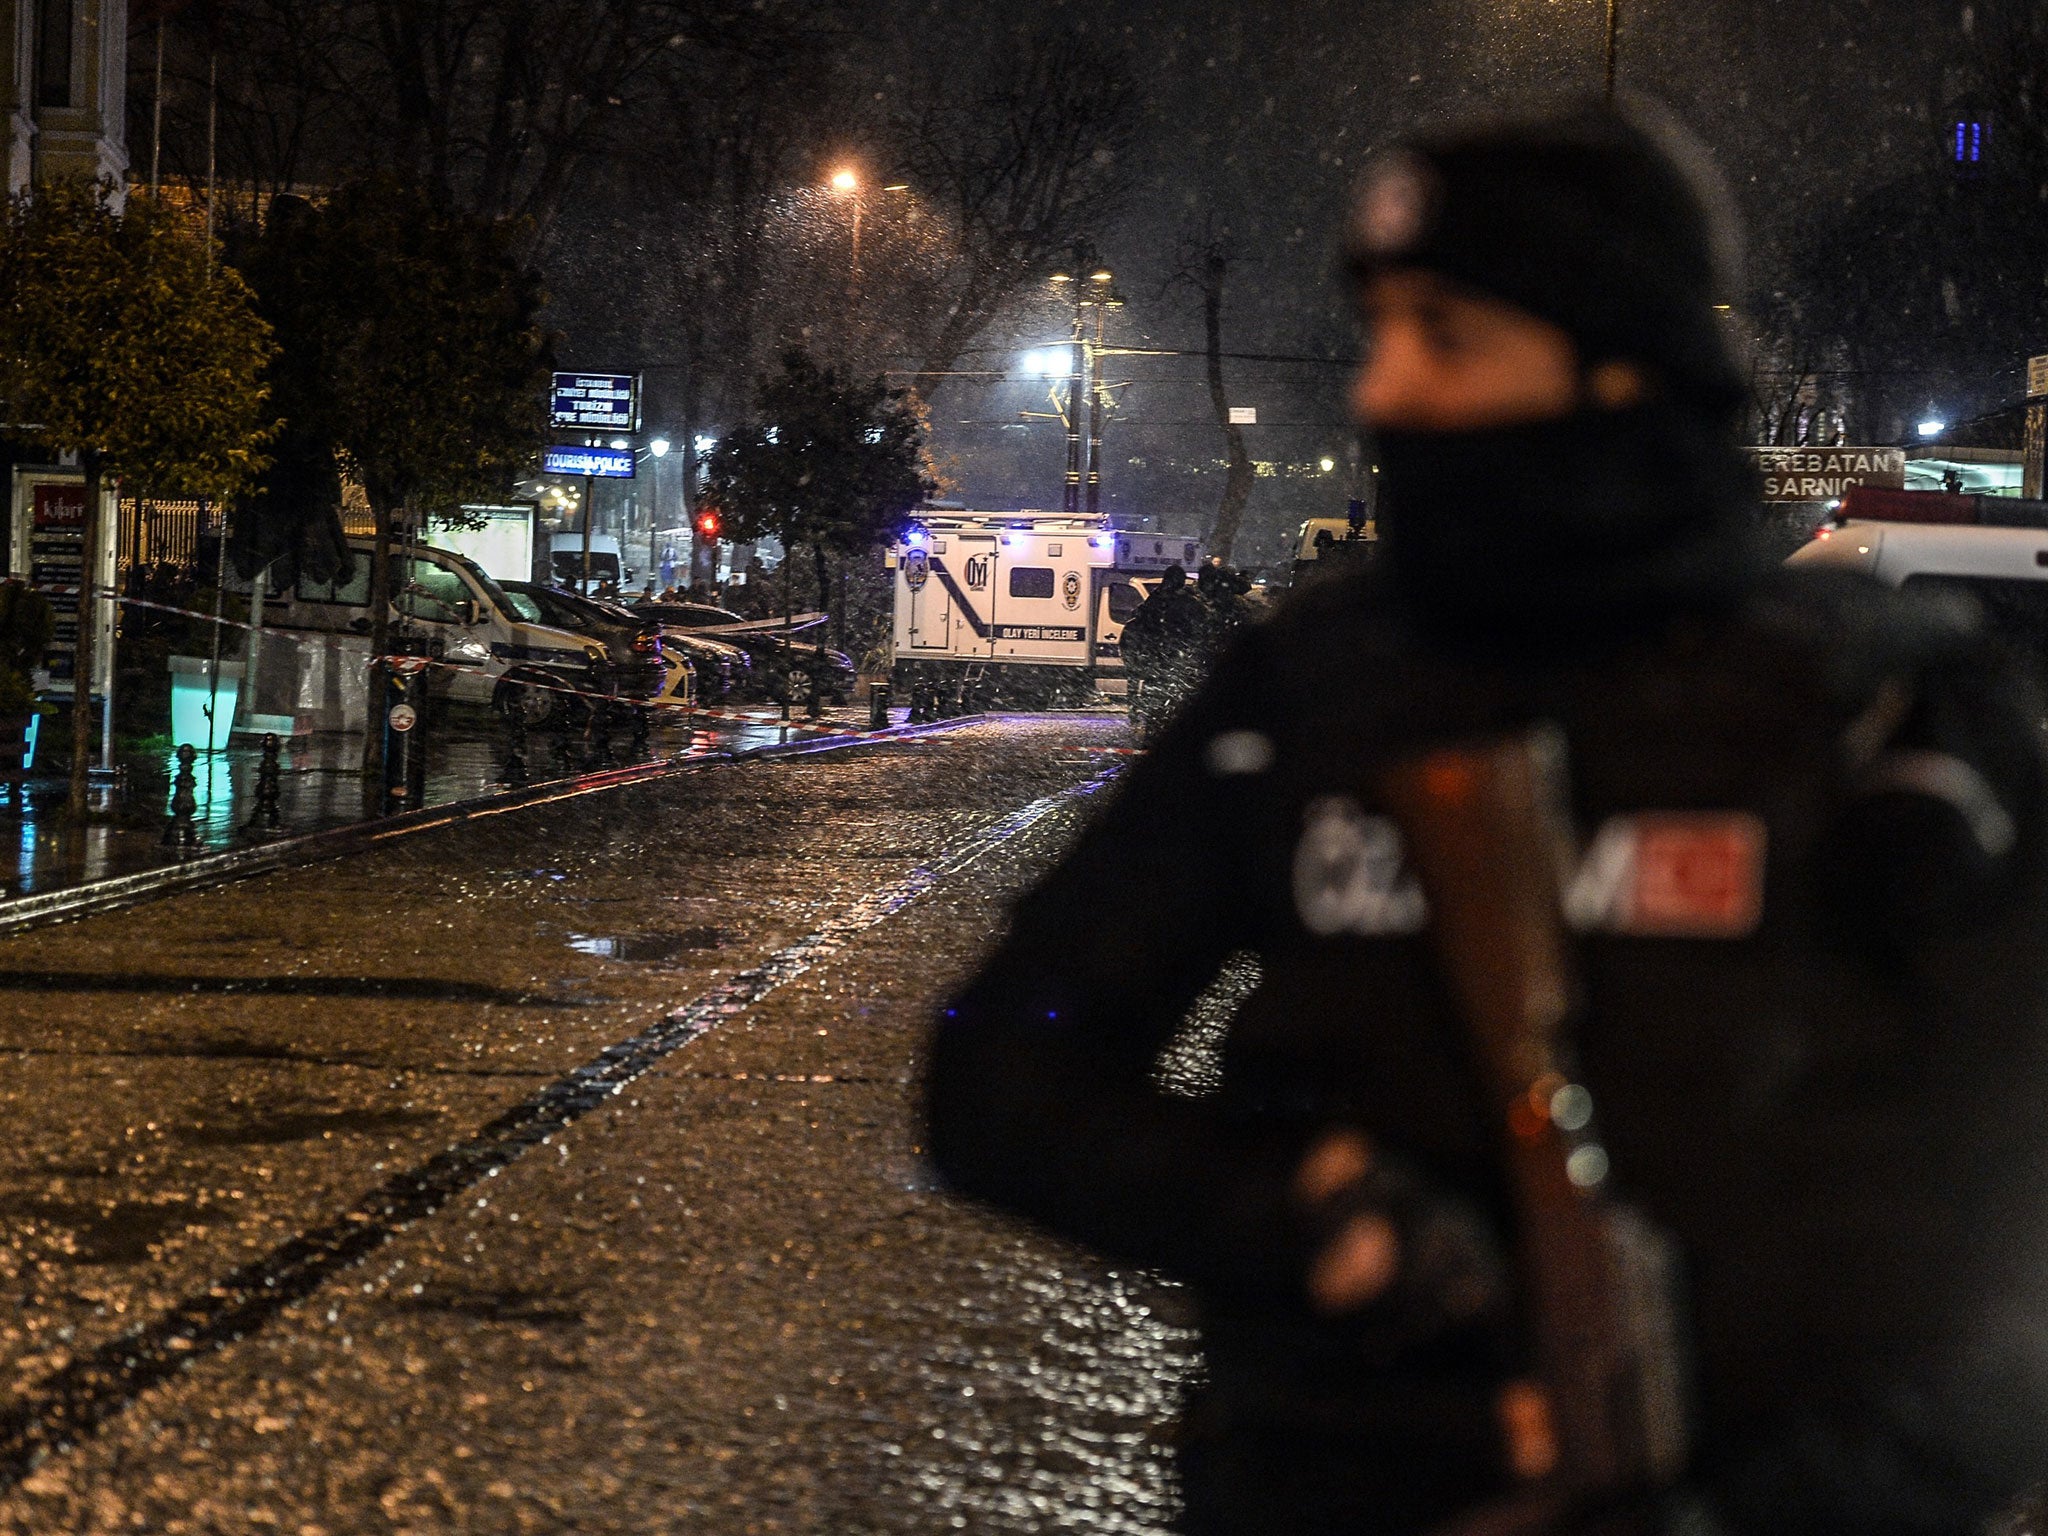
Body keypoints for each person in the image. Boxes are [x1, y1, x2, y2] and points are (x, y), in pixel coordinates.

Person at [926, 100, 2048, 1536]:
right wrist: (1308, 1213)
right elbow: (1003, 1086)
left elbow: (2018, 1283)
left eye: (1447, 335)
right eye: (1378, 328)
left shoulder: (1888, 712)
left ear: (1616, 366)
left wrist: (1765, 1502)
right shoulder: (1310, 691)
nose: (1384, 389)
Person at [1119, 563, 1209, 735]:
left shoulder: (1156, 599)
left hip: (1159, 658)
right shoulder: (1185, 602)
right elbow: (1200, 628)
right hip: (1175, 658)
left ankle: (1152, 726)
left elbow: (1140, 622)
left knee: (1157, 699)